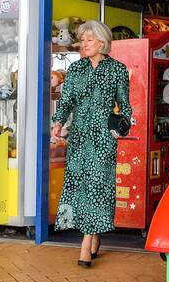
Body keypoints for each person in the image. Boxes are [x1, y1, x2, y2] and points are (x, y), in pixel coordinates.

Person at [51, 21, 132, 267]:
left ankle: (86, 243)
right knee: (81, 187)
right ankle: (93, 233)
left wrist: (121, 128)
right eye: (82, 40)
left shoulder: (117, 69)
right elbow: (65, 101)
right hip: (78, 136)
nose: (83, 44)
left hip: (104, 138)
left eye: (88, 40)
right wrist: (58, 122)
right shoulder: (75, 69)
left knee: (98, 186)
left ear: (101, 42)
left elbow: (125, 105)